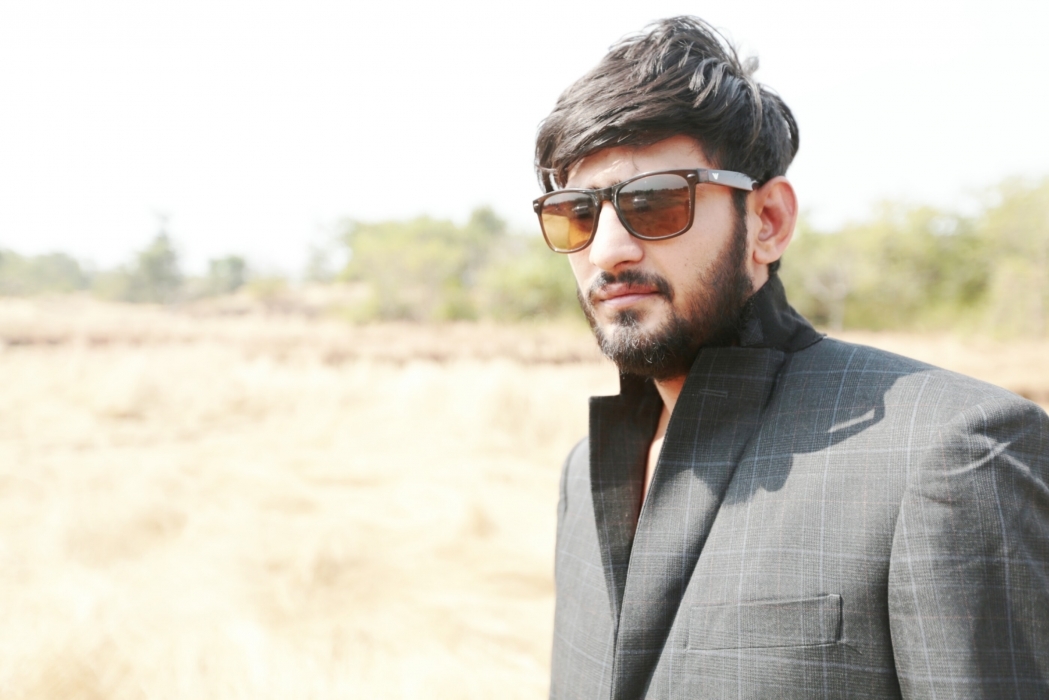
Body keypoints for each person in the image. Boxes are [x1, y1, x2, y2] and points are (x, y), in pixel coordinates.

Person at [531, 16, 1049, 699]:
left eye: (654, 203)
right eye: (576, 213)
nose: (607, 250)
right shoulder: (586, 473)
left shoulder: (953, 453)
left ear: (768, 221)